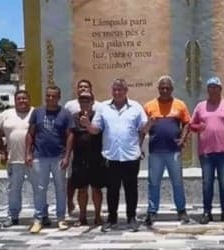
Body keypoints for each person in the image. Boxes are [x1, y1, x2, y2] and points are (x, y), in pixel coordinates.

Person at [83, 78, 149, 232]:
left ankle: (131, 218)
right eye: (115, 90)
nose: (117, 92)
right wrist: (87, 125)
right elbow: (96, 129)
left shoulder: (136, 107)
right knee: (112, 189)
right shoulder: (104, 107)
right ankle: (112, 218)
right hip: (111, 156)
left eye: (120, 89)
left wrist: (150, 123)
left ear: (126, 91)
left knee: (131, 189)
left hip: (131, 156)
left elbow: (143, 128)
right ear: (112, 91)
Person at [189, 77, 224, 225]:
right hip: (206, 153)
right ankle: (207, 211)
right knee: (207, 183)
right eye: (210, 87)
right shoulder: (200, 106)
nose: (213, 90)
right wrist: (198, 127)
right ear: (207, 89)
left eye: (216, 87)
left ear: (220, 89)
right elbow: (191, 125)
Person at [143, 75, 191, 225]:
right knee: (154, 183)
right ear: (158, 89)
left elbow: (187, 124)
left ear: (172, 89)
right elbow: (142, 129)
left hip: (173, 151)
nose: (164, 90)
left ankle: (181, 210)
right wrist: (149, 125)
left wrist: (183, 139)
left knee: (177, 182)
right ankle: (152, 211)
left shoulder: (180, 105)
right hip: (156, 152)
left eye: (167, 88)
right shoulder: (149, 106)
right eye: (162, 88)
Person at [25, 86, 73, 233]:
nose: (50, 99)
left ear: (59, 97)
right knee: (40, 189)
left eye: (53, 96)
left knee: (60, 188)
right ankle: (38, 219)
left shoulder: (65, 114)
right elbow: (30, 134)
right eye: (48, 96)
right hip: (40, 156)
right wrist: (28, 153)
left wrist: (67, 156)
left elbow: (70, 135)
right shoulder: (37, 112)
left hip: (59, 157)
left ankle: (61, 218)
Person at [62, 90, 105, 226]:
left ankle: (98, 216)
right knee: (82, 189)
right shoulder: (73, 117)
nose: (84, 103)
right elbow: (70, 137)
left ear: (92, 102)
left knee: (96, 189)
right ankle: (82, 217)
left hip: (96, 158)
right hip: (79, 159)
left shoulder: (99, 116)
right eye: (82, 100)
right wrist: (67, 156)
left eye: (87, 100)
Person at [0, 89, 34, 227]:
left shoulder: (35, 113)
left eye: (24, 98)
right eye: (19, 99)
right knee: (14, 189)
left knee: (38, 188)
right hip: (13, 159)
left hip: (33, 159)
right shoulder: (6, 114)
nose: (22, 101)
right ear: (15, 100)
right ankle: (13, 216)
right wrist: (2, 151)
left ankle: (42, 215)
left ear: (29, 99)